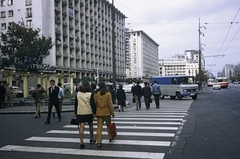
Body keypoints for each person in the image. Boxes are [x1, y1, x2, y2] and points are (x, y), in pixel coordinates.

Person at [74, 82, 96, 149]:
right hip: (88, 111)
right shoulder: (90, 94)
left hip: (80, 112)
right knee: (90, 125)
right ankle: (91, 138)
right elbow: (93, 104)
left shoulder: (78, 94)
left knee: (81, 127)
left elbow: (76, 104)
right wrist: (94, 112)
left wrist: (75, 112)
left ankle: (81, 141)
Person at [94, 82, 115, 148]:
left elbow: (94, 103)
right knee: (109, 125)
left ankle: (99, 142)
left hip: (99, 111)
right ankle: (110, 137)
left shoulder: (96, 94)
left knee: (99, 127)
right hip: (107, 112)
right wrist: (112, 112)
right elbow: (110, 104)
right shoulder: (108, 94)